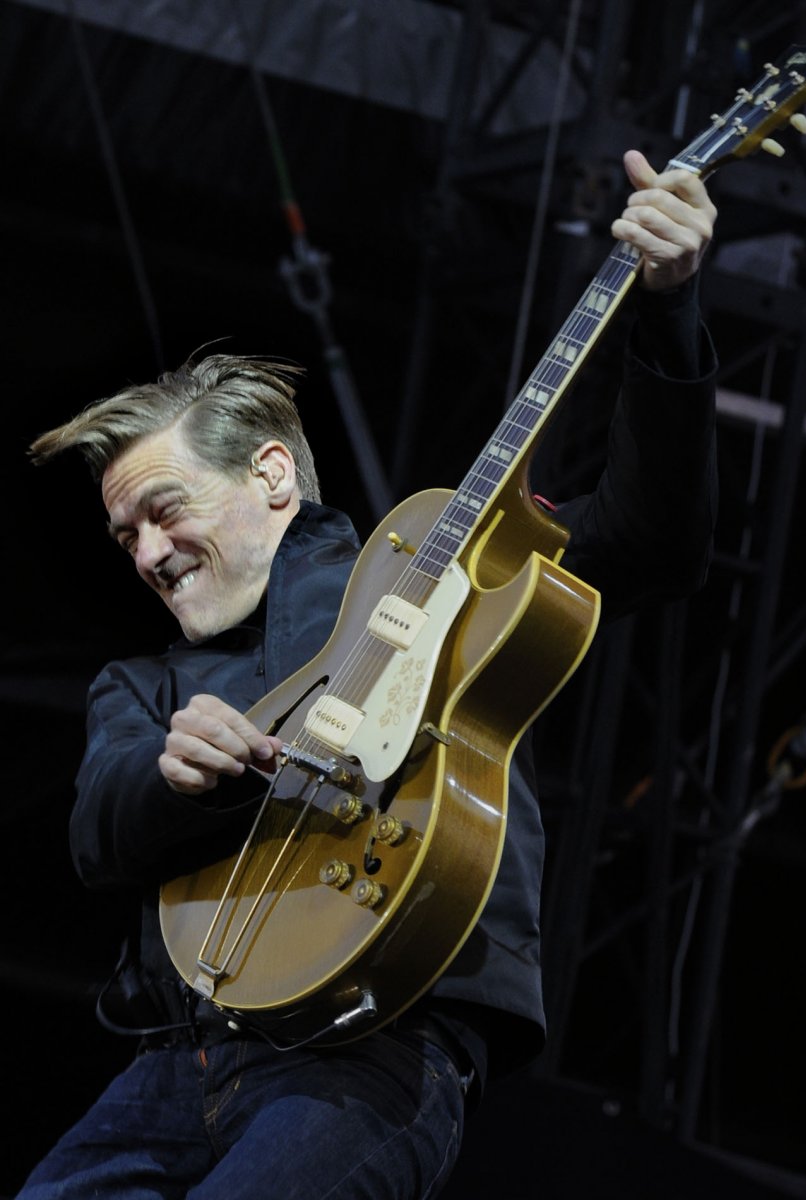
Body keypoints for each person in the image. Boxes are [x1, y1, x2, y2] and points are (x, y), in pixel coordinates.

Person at [17, 149, 718, 1200]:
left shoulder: (442, 570)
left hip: (373, 1049)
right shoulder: (144, 683)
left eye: (162, 511)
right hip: (169, 1065)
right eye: (123, 538)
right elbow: (94, 837)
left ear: (270, 473)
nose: (147, 554)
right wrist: (173, 774)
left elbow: (651, 543)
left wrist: (667, 317)